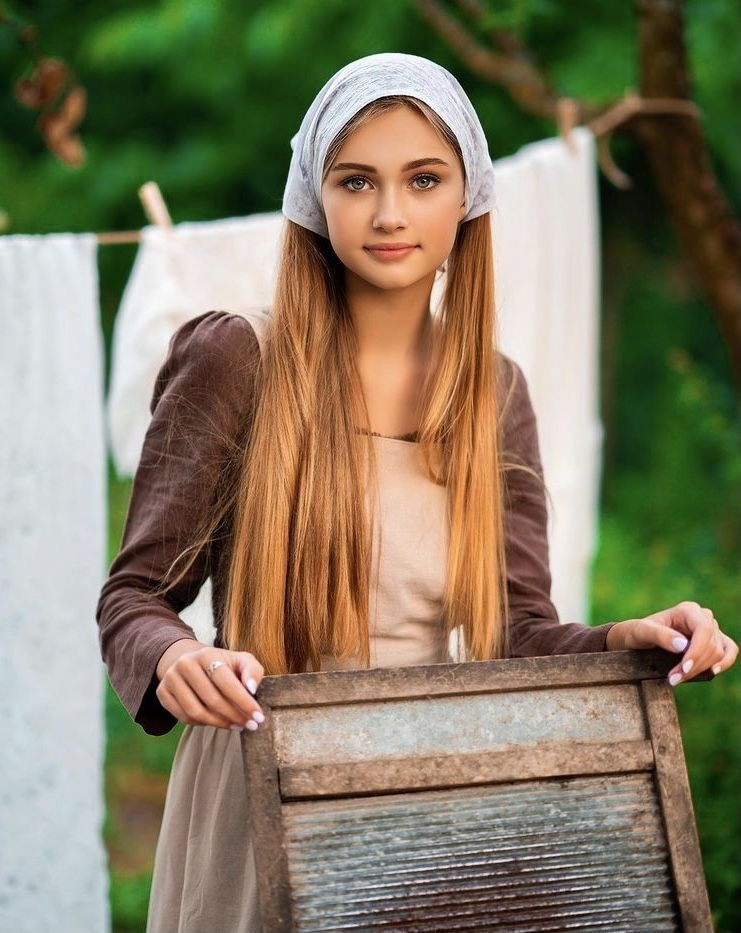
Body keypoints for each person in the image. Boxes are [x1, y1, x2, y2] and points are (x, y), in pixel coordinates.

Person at [96, 52, 737, 932]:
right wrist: (176, 659)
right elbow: (134, 597)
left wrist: (622, 640)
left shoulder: (492, 393)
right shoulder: (236, 359)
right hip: (258, 783)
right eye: (356, 180)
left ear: (465, 197)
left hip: (428, 791)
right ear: (314, 198)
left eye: (422, 179)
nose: (390, 213)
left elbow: (516, 632)